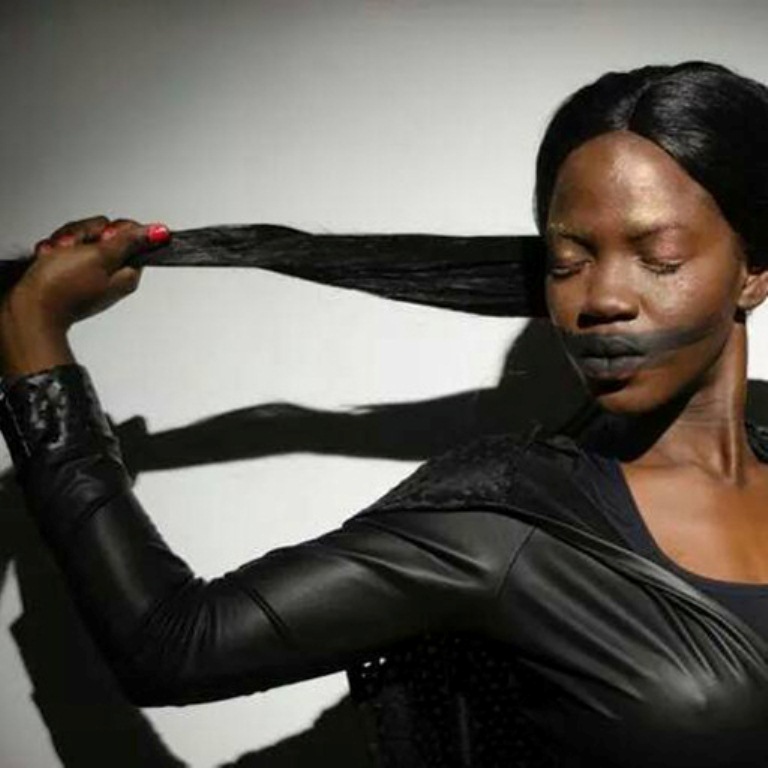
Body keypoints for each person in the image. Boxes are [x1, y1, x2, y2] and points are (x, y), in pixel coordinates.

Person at [2, 60, 768, 768]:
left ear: (754, 270)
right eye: (567, 263)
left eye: (659, 258)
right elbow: (173, 644)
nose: (601, 298)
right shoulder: (508, 523)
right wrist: (35, 343)